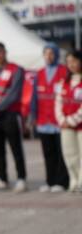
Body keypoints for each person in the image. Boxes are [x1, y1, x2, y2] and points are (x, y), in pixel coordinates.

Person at [0, 41, 27, 192]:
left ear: (5, 52)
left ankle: (21, 178)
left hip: (9, 114)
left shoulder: (16, 70)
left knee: (16, 147)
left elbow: (14, 93)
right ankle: (2, 178)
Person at [30, 44, 70, 192]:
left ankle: (62, 181)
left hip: (59, 120)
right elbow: (34, 97)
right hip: (43, 120)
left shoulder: (64, 72)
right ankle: (49, 180)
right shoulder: (39, 73)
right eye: (46, 53)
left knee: (61, 153)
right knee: (48, 153)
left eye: (51, 53)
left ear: (57, 55)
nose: (48, 56)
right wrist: (33, 116)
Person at [56, 49, 82, 192]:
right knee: (69, 154)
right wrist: (62, 119)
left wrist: (72, 120)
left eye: (74, 61)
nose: (71, 64)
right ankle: (74, 179)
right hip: (65, 125)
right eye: (68, 62)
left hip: (79, 125)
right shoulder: (64, 82)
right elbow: (58, 102)